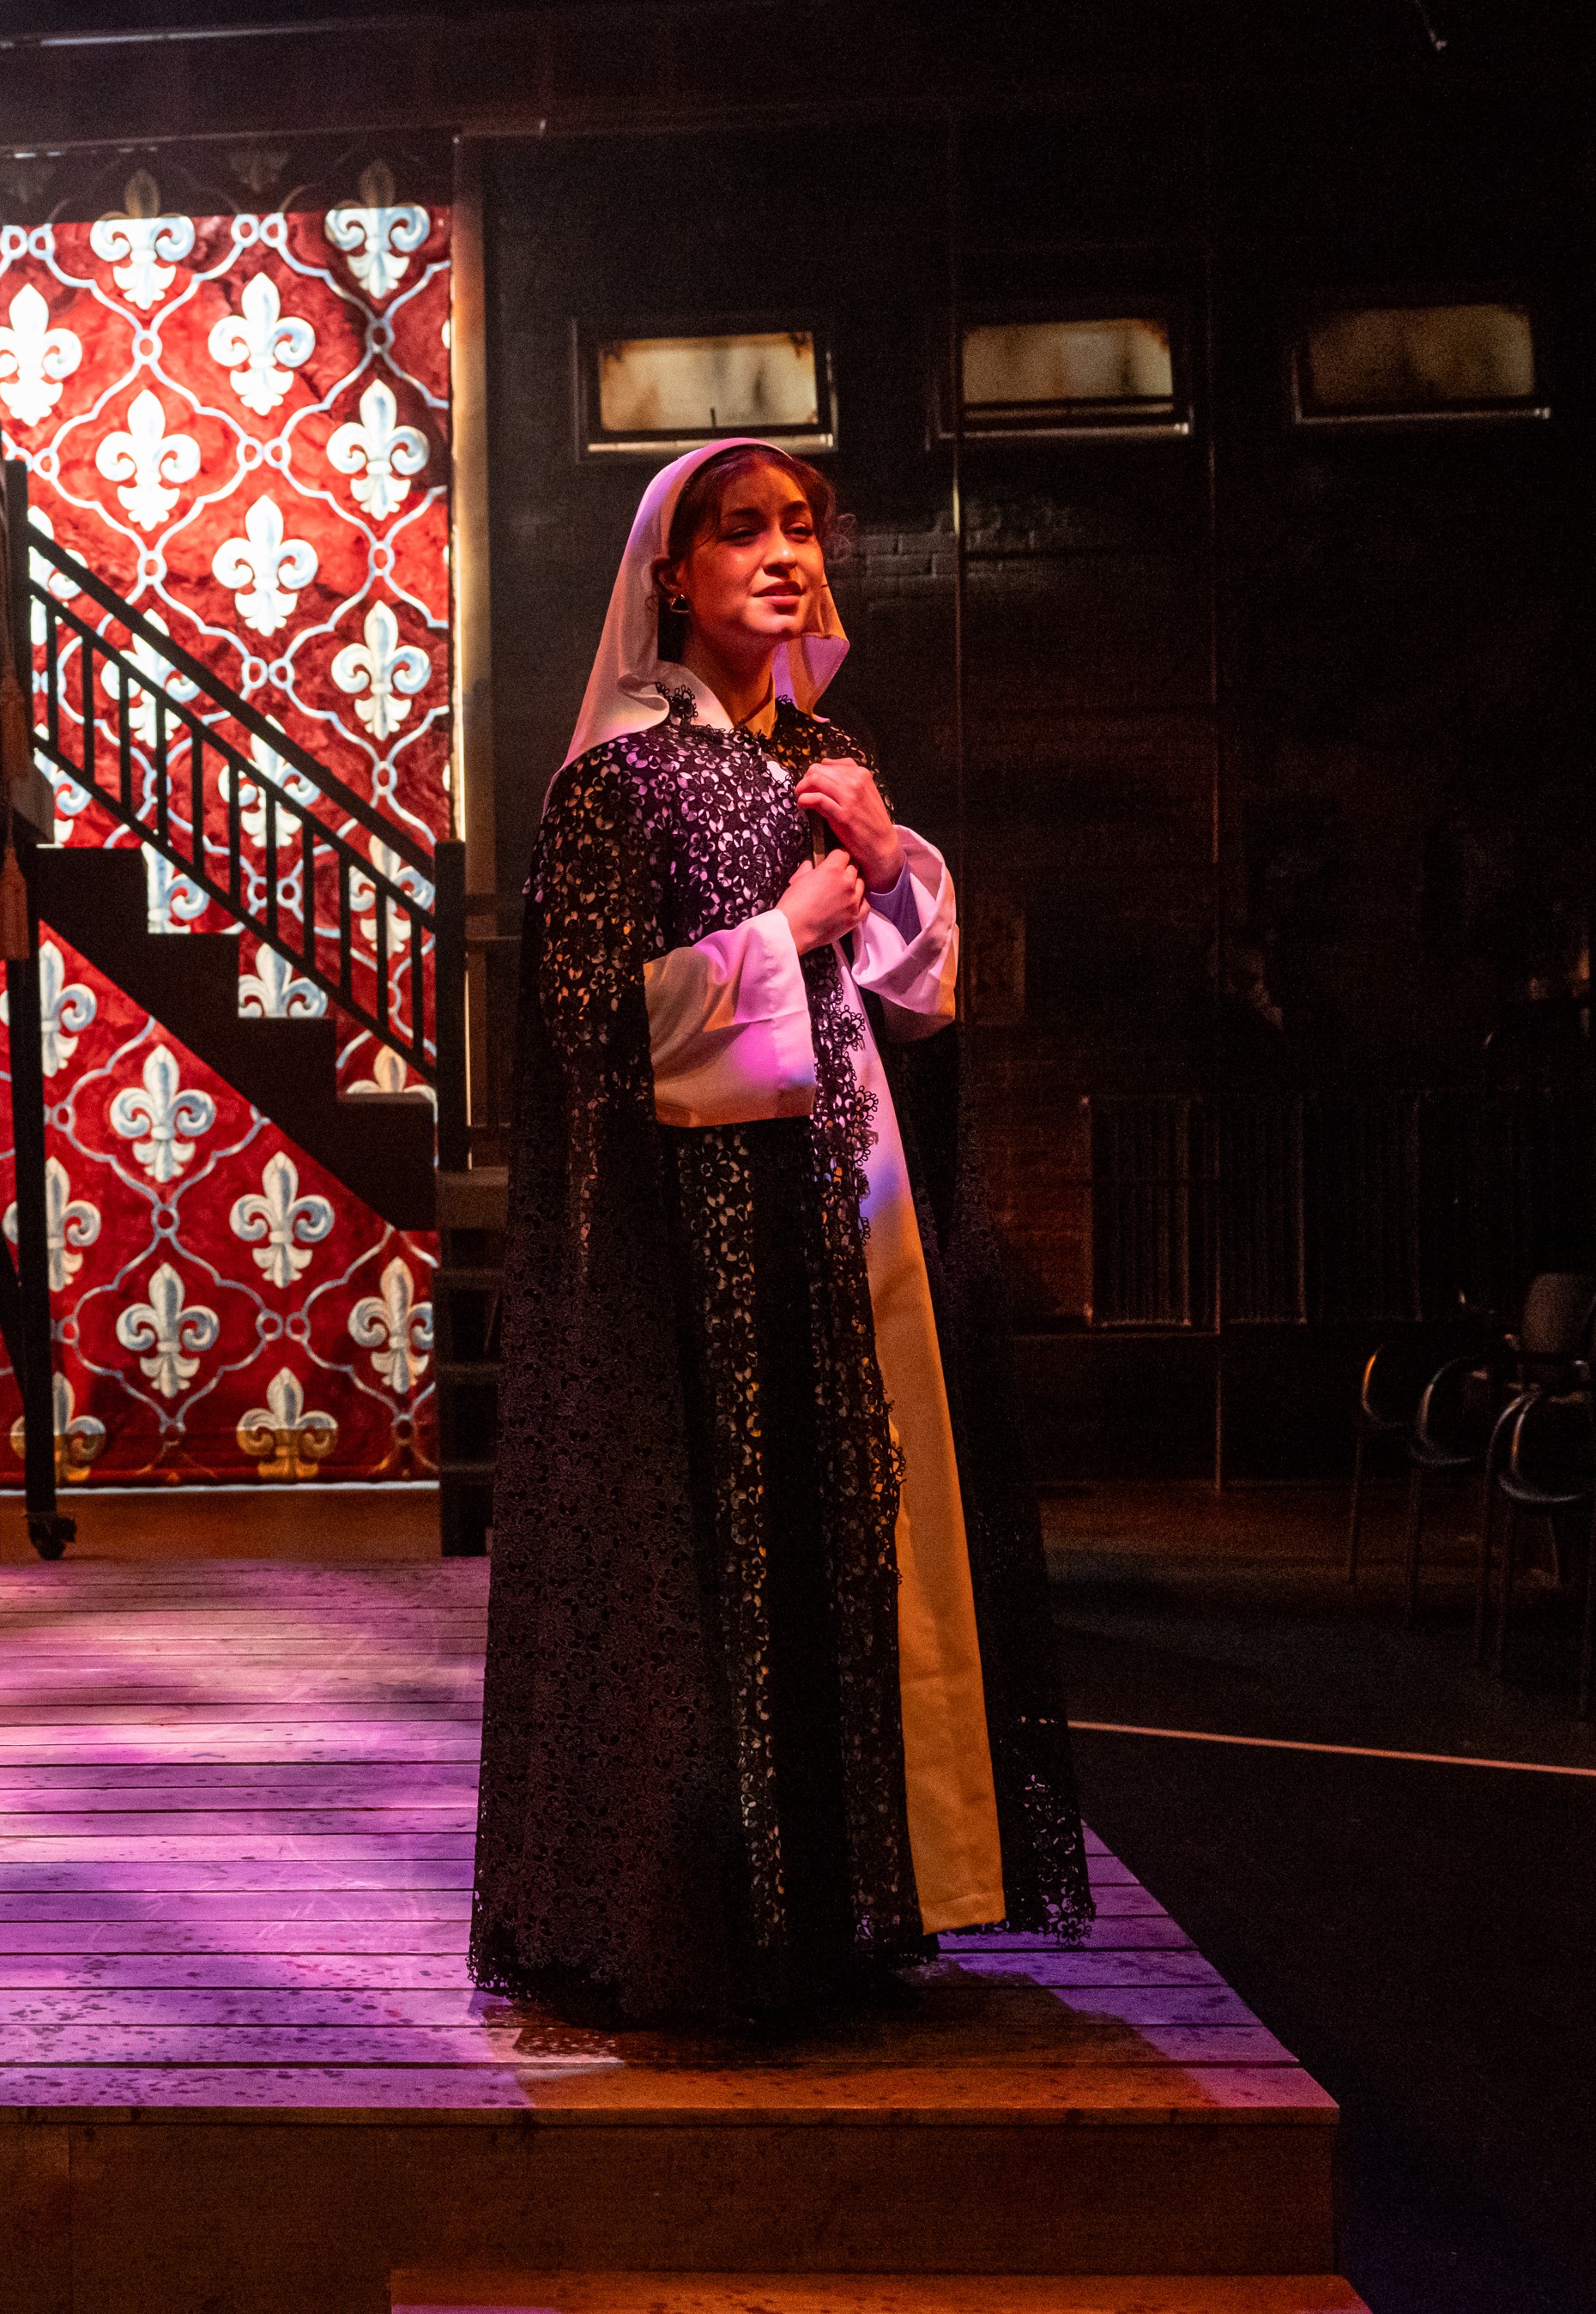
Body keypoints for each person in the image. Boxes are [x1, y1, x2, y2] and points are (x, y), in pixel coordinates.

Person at [473, 439, 1090, 2020]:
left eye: (801, 525)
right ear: (669, 575)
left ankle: (859, 1899)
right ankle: (715, 1931)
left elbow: (915, 998)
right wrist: (778, 939)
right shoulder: (620, 774)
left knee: (863, 1564)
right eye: (738, 529)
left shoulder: (824, 752)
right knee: (732, 1577)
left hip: (848, 1239)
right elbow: (590, 1022)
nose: (779, 552)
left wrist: (886, 866)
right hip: (708, 1266)